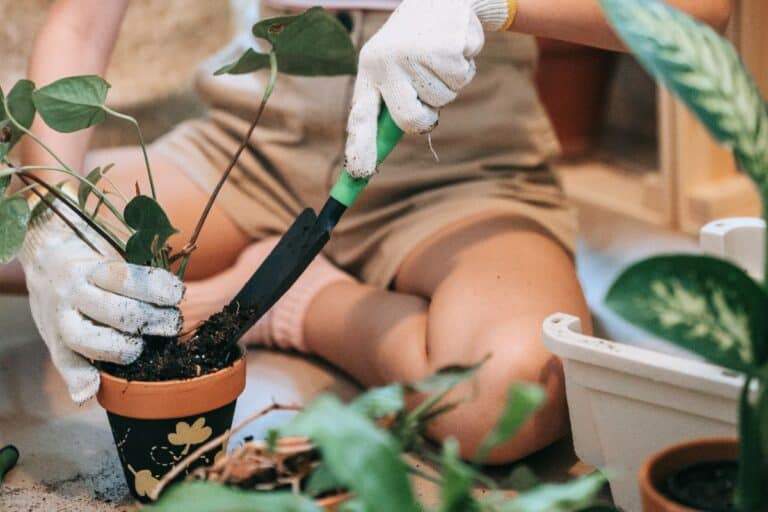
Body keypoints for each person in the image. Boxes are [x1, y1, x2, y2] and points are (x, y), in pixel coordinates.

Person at [8, 0, 731, 463]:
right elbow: (79, 25)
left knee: (508, 397)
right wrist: (50, 219)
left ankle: (300, 301)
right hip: (251, 152)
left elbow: (699, 9)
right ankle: (258, 273)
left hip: (461, 179)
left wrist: (491, 4)